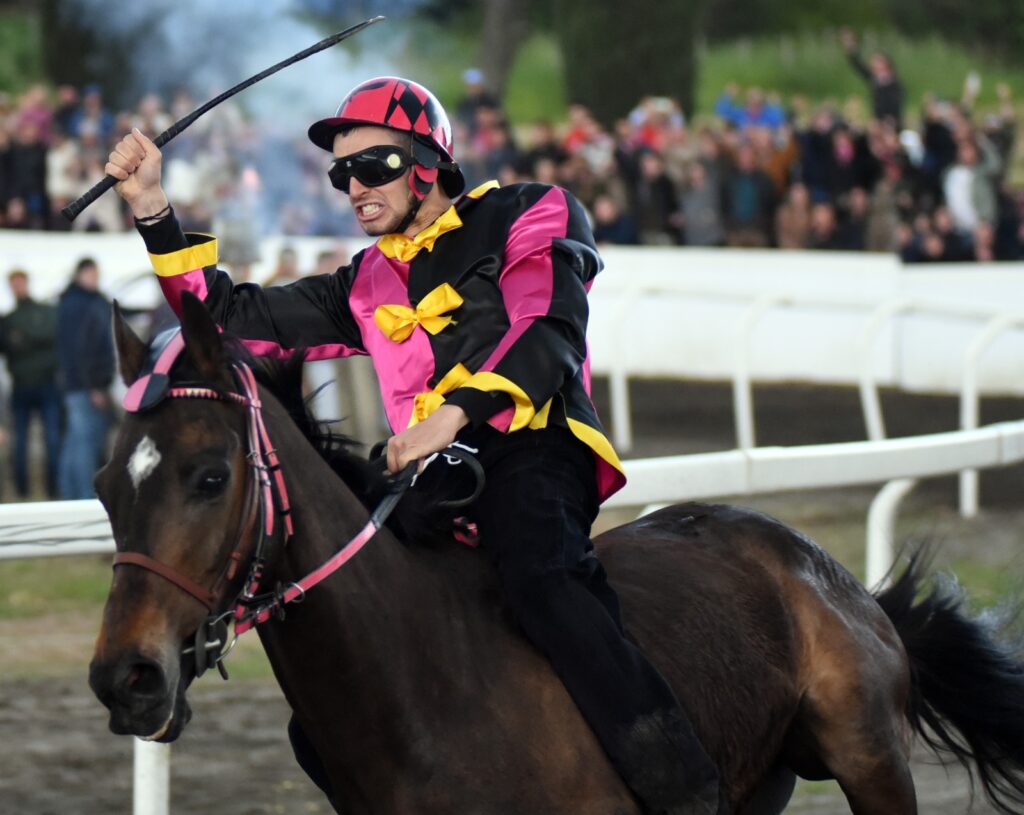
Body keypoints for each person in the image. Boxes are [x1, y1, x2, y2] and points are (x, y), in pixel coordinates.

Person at [105, 76, 724, 814]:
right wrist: (152, 209)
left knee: (543, 580)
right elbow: (226, 318)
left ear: (428, 161)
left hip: (534, 450)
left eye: (373, 166)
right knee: (332, 641)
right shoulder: (363, 280)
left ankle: (685, 787)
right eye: (342, 174)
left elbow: (549, 331)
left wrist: (453, 414)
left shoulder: (531, 210)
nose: (355, 187)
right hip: (426, 479)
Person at [56, 257, 114, 499]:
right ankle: (83, 495)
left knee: (74, 441)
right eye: (90, 274)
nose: (95, 279)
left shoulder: (73, 302)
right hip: (85, 385)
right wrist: (95, 386)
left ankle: (68, 492)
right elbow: (84, 349)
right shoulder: (84, 305)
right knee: (85, 442)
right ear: (80, 274)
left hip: (74, 384)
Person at [0, 270, 61, 499]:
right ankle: (23, 490)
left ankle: (52, 488)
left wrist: (23, 337)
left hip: (46, 385)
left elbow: (49, 335)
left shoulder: (41, 312)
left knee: (52, 440)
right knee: (20, 443)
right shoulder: (9, 319)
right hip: (21, 386)